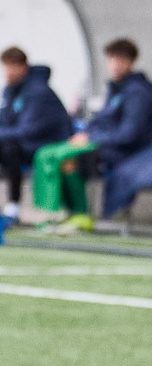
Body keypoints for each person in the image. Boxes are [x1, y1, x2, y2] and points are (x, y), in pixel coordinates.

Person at [32, 39, 152, 232]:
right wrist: (84, 134)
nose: (115, 65)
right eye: (112, 59)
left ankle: (80, 214)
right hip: (104, 146)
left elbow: (129, 134)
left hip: (126, 153)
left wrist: (92, 139)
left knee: (69, 159)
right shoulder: (115, 89)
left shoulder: (138, 92)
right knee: (46, 153)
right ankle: (53, 211)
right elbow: (102, 122)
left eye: (121, 60)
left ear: (131, 62)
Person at [0, 47, 71, 220]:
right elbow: (0, 123)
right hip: (22, 144)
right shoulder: (9, 90)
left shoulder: (38, 92)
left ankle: (14, 206)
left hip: (43, 146)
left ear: (23, 67)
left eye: (12, 67)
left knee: (10, 148)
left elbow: (26, 131)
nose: (7, 72)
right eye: (5, 67)